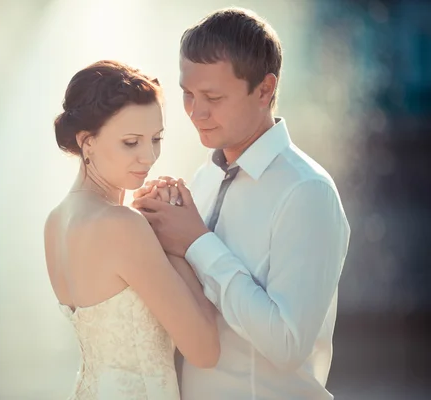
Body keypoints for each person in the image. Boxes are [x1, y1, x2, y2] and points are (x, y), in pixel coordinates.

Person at [132, 8, 351, 400]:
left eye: (213, 97)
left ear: (265, 89)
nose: (196, 113)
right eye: (188, 94)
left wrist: (197, 243)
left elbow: (287, 344)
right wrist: (152, 231)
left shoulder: (307, 192)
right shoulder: (204, 178)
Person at [43, 60, 220, 400]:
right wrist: (179, 243)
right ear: (87, 142)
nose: (149, 156)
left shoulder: (55, 221)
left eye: (156, 138)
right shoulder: (123, 225)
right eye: (130, 142)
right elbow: (205, 350)